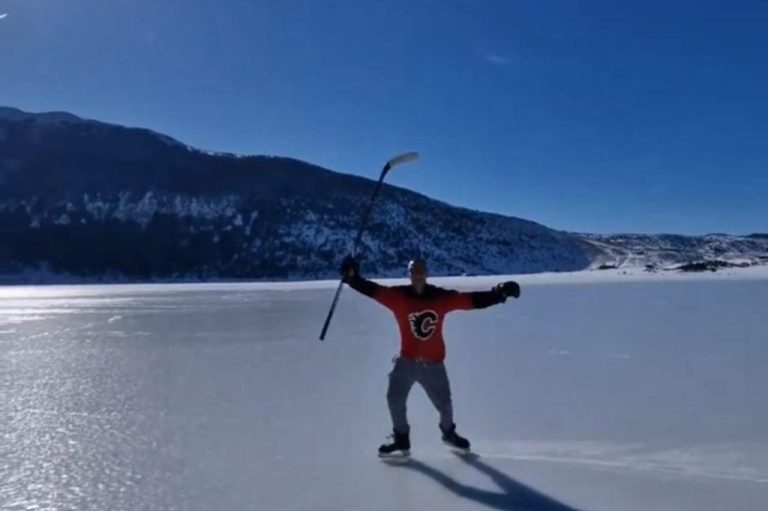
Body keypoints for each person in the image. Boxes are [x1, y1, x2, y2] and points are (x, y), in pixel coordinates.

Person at [340, 256, 521, 458]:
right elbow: (372, 290)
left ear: (426, 274)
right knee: (394, 399)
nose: (417, 275)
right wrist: (352, 278)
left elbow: (470, 301)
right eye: (413, 271)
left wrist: (498, 293)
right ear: (409, 275)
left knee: (445, 406)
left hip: (433, 365)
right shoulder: (398, 297)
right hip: (406, 362)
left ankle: (449, 434)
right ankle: (401, 438)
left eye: (420, 271)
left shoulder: (439, 297)